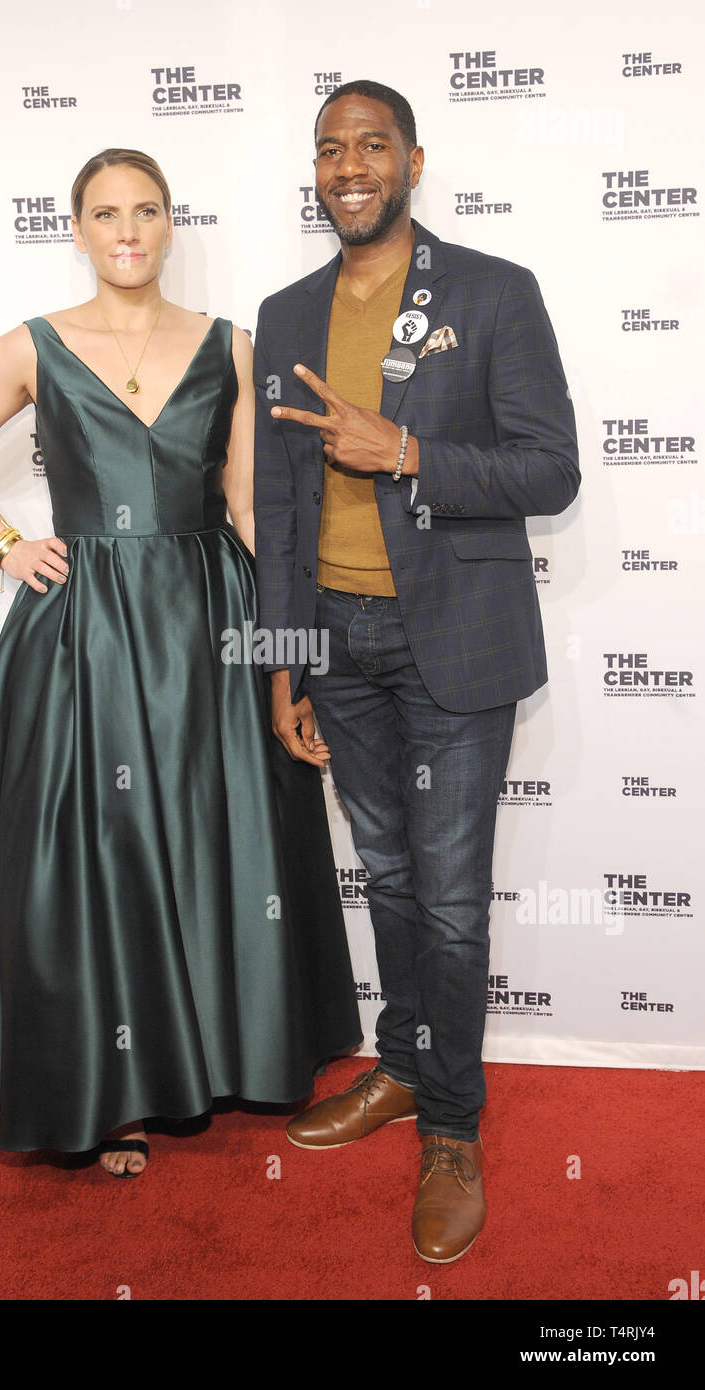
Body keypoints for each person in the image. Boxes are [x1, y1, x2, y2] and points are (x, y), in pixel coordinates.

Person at [0, 147, 361, 1177]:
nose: (127, 229)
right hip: (85, 632)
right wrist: (3, 544)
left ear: (169, 225)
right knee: (100, 849)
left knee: (214, 832)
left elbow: (248, 508)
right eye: (106, 212)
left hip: (209, 619)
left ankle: (225, 1053)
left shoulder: (231, 345)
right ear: (75, 229)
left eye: (146, 210)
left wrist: (300, 646)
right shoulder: (31, 346)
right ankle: (108, 1089)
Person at [253, 82, 579, 1260]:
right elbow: (277, 504)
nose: (350, 165)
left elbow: (550, 469)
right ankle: (398, 1068)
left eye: (371, 145)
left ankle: (451, 1123)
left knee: (445, 899)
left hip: (453, 642)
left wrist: (405, 452)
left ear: (412, 162)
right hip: (333, 642)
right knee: (384, 875)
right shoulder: (284, 313)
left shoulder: (493, 291)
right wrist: (281, 667)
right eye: (330, 147)